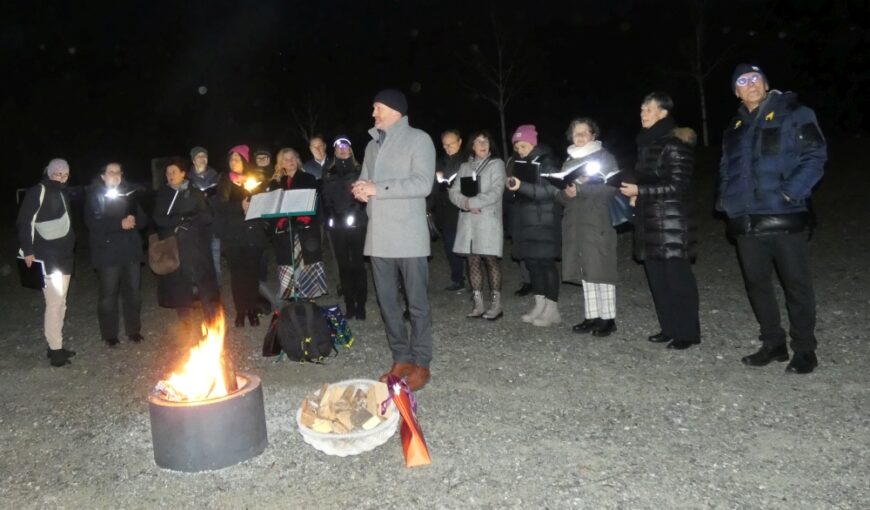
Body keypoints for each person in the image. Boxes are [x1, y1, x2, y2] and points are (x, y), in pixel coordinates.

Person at [718, 64, 826, 374]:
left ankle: (805, 349)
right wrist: (726, 202)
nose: (750, 84)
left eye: (755, 78)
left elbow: (815, 155)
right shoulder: (734, 127)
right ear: (736, 91)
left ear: (766, 83)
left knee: (796, 285)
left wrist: (790, 193)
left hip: (784, 215)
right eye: (742, 81)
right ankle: (773, 343)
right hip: (746, 218)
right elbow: (726, 169)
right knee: (757, 284)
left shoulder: (794, 112)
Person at [352, 88, 436, 391]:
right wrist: (360, 189)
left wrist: (377, 188)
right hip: (379, 236)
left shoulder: (419, 139)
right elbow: (366, 178)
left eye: (378, 108)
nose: (373, 114)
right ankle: (401, 357)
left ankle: (421, 363)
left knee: (417, 303)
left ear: (394, 110)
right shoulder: (372, 146)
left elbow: (423, 183)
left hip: (409, 234)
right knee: (387, 302)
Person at [620, 91, 700, 350]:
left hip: (673, 223)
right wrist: (636, 196)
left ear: (663, 113)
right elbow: (648, 180)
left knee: (678, 281)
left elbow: (677, 186)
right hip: (650, 221)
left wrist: (640, 191)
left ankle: (687, 333)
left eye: (649, 109)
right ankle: (669, 328)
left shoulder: (675, 143)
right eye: (642, 109)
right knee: (658, 280)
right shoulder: (646, 143)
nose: (643, 113)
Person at [556, 118, 620, 337]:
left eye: (585, 132)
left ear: (594, 135)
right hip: (574, 222)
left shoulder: (605, 158)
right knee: (585, 269)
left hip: (596, 220)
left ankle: (608, 318)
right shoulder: (568, 160)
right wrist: (565, 193)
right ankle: (591, 316)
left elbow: (611, 188)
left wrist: (581, 190)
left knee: (601, 267)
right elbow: (560, 194)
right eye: (576, 133)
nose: (580, 137)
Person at [17, 158, 77, 367]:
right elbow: (24, 221)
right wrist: (28, 250)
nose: (61, 176)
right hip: (47, 256)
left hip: (64, 256)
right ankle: (55, 349)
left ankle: (55, 345)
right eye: (57, 173)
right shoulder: (38, 191)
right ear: (49, 172)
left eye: (65, 173)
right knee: (54, 303)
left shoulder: (62, 191)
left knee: (61, 302)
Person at [153, 158, 219, 336]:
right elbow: (158, 218)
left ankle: (212, 323)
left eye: (174, 171)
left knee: (204, 283)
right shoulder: (163, 194)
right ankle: (186, 326)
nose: (170, 175)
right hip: (176, 247)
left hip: (197, 246)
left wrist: (193, 217)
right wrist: (179, 220)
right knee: (180, 286)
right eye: (168, 173)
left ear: (183, 173)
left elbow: (207, 217)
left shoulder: (194, 192)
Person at [84, 162, 147, 347]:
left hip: (131, 252)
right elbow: (93, 224)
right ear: (103, 176)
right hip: (107, 253)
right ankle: (109, 334)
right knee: (108, 295)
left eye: (119, 172)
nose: (116, 175)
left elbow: (143, 220)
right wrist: (119, 224)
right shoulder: (95, 195)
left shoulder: (130, 193)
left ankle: (134, 330)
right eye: (111, 172)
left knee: (133, 293)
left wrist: (136, 219)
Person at [505, 124, 563, 327]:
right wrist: (511, 188)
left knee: (546, 264)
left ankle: (552, 309)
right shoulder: (519, 163)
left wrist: (523, 186)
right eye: (517, 146)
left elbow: (552, 192)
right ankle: (539, 305)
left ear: (533, 142)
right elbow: (518, 194)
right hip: (526, 222)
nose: (520, 150)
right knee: (533, 264)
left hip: (544, 221)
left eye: (523, 145)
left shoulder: (547, 162)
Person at [448, 130, 505, 319]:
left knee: (490, 259)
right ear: (472, 146)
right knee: (472, 261)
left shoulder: (496, 165)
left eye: (485, 141)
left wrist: (472, 203)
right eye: (478, 141)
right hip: (468, 221)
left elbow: (496, 190)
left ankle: (496, 304)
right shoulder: (464, 167)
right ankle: (478, 304)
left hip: (488, 219)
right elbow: (453, 191)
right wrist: (464, 203)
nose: (482, 144)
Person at [216, 145, 270, 327]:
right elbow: (220, 207)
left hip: (253, 234)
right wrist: (239, 206)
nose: (233, 162)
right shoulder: (225, 181)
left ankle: (252, 310)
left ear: (245, 161)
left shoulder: (255, 179)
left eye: (237, 159)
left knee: (252, 274)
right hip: (233, 235)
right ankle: (240, 311)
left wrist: (254, 203)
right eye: (231, 159)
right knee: (237, 275)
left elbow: (264, 203)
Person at [268, 147, 325, 301]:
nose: (290, 162)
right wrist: (281, 222)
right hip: (285, 231)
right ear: (281, 163)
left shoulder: (308, 178)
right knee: (289, 262)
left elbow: (313, 201)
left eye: (292, 158)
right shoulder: (276, 183)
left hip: (304, 229)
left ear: (297, 159)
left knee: (306, 261)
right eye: (286, 159)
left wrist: (303, 219)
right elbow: (274, 205)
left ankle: (310, 296)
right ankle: (293, 297)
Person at [322, 136, 368, 319]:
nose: (342, 149)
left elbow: (364, 194)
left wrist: (354, 212)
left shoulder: (360, 169)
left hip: (357, 222)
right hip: (337, 226)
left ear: (350, 149)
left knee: (357, 263)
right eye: (339, 147)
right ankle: (349, 303)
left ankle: (361, 304)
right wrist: (332, 216)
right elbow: (325, 197)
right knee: (344, 265)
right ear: (334, 151)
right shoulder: (328, 171)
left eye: (345, 146)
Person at [432, 129, 467, 291]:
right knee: (450, 245)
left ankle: (475, 280)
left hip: (464, 209)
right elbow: (434, 189)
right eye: (444, 145)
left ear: (459, 142)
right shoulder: (440, 162)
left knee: (468, 247)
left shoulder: (468, 160)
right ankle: (457, 278)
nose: (447, 148)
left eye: (450, 144)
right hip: (446, 211)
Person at [188, 146, 222, 282]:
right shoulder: (186, 179)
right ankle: (198, 286)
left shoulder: (217, 177)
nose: (202, 159)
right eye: (198, 156)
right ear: (193, 160)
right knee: (197, 255)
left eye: (204, 156)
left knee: (215, 255)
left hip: (213, 222)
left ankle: (217, 285)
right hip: (195, 224)